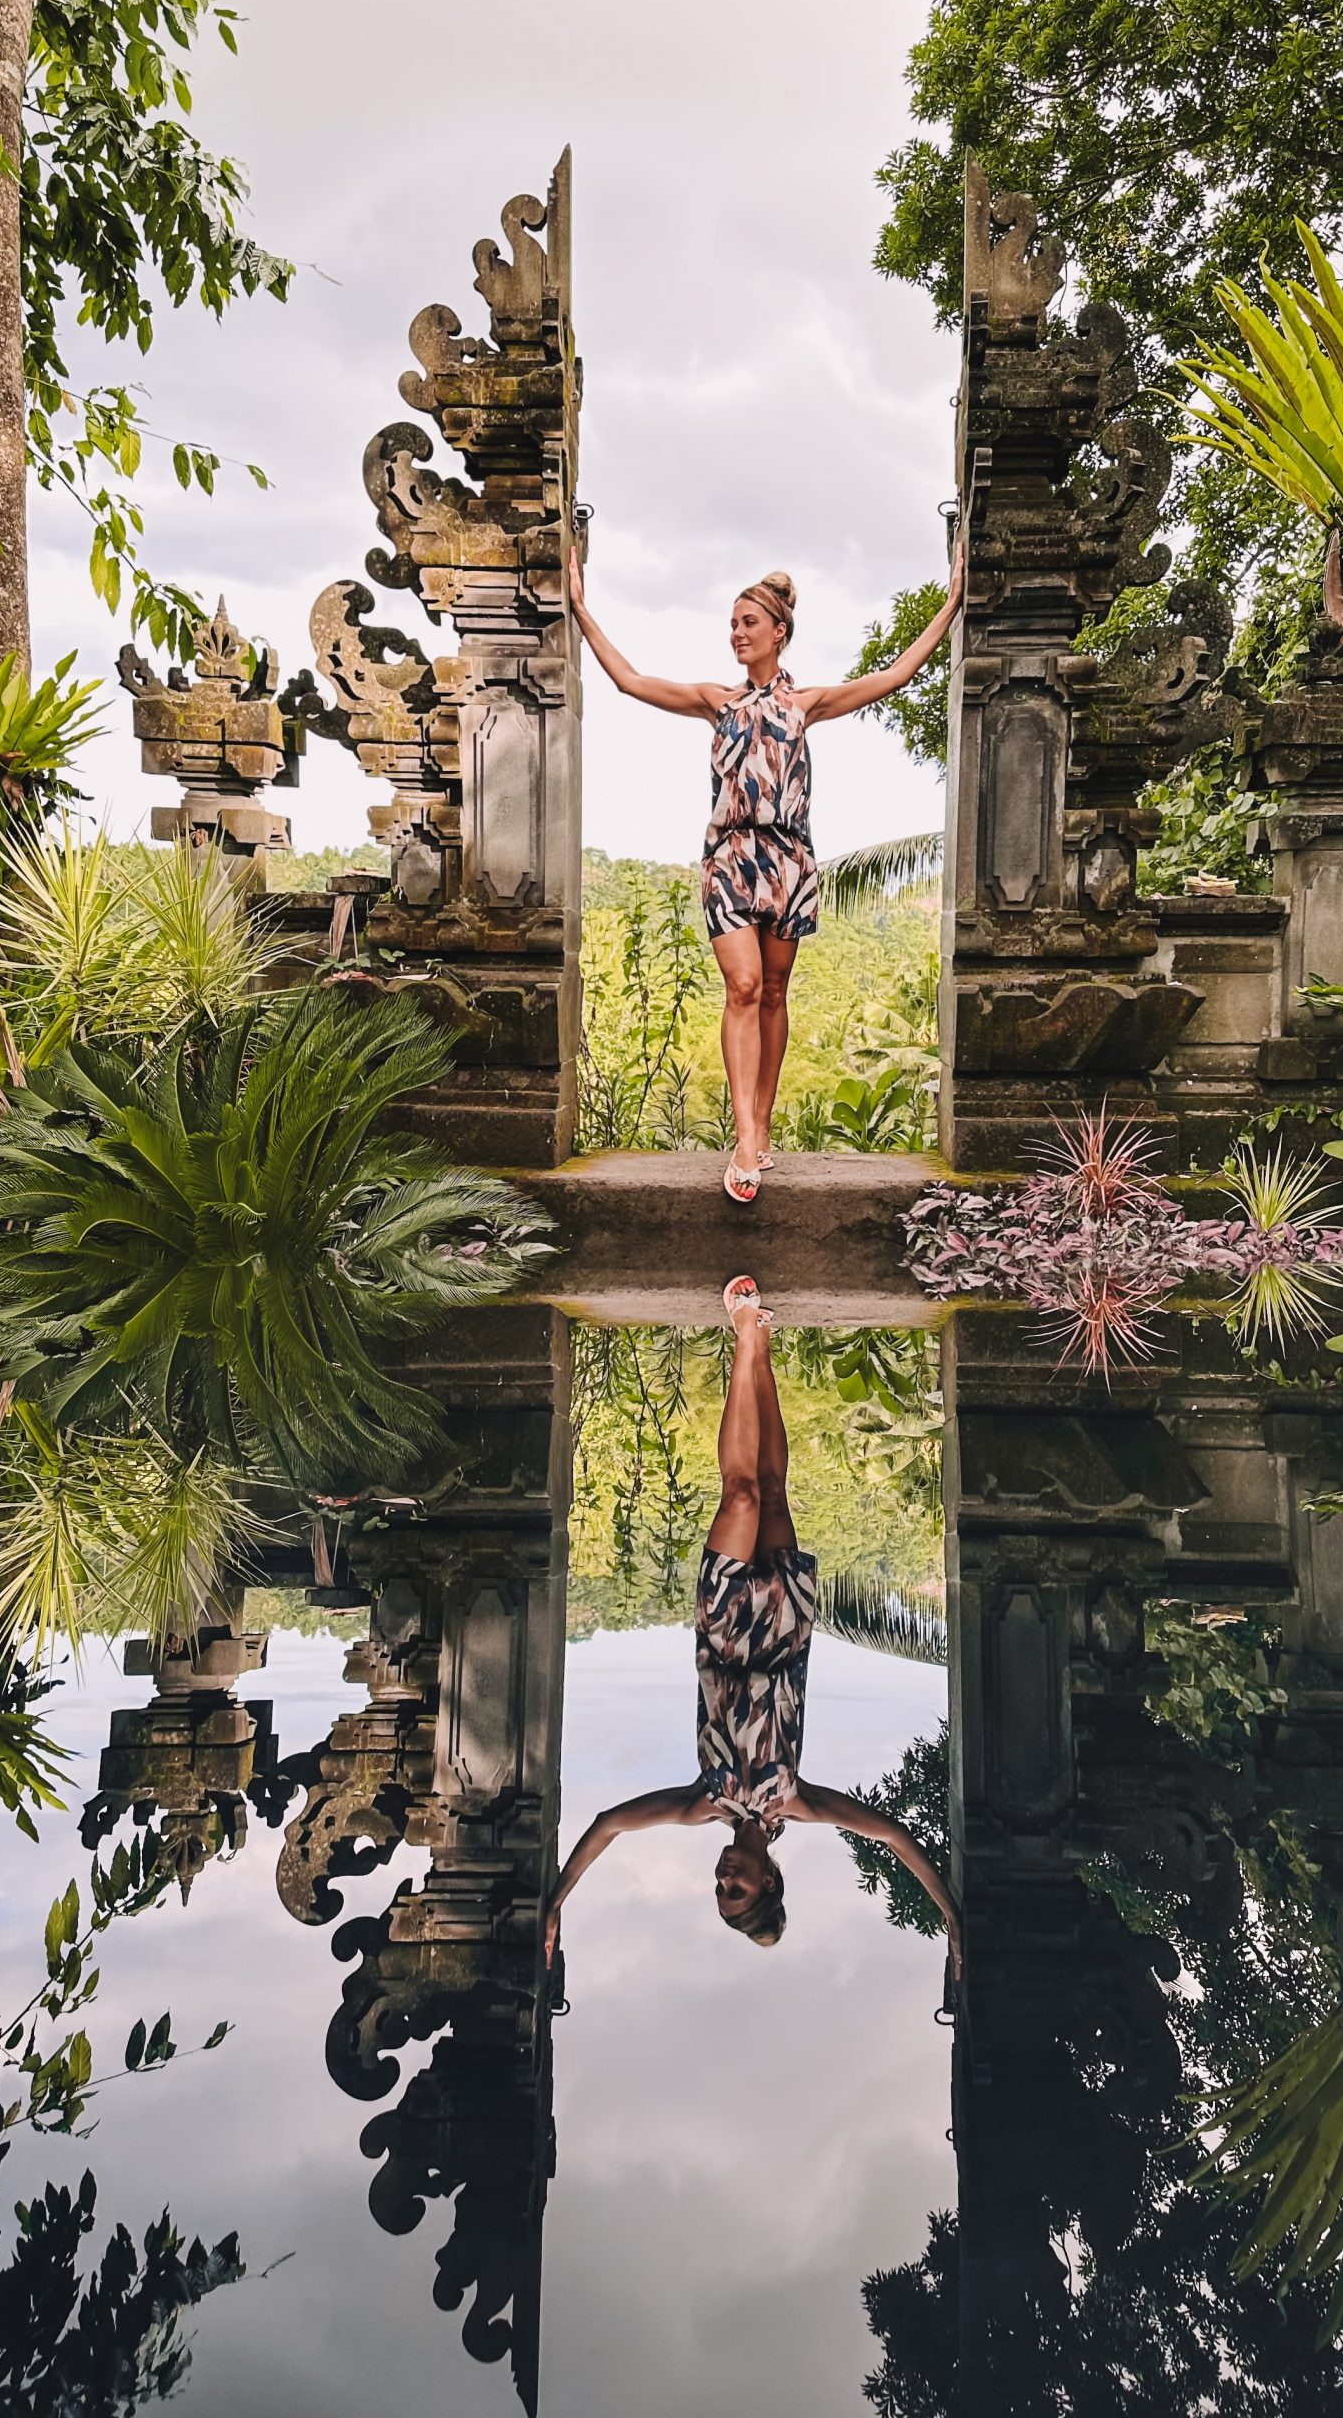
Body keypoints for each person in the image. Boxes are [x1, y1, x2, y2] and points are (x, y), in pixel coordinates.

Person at [544, 1277, 961, 1971]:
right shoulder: (797, 1802)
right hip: (785, 1626)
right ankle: (760, 1338)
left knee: (737, 1495)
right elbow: (891, 1836)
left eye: (719, 1890)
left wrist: (558, 1902)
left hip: (726, 1626)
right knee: (771, 1489)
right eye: (736, 1890)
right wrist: (951, 1918)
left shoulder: (699, 1804)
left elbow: (607, 1826)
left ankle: (740, 1327)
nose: (723, 1879)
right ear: (768, 1881)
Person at [568, 545, 964, 1202]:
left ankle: (763, 1126)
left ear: (778, 631)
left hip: (788, 862)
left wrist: (950, 604)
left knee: (776, 992)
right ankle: (746, 1137)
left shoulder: (805, 704)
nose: (737, 632)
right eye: (732, 623)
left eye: (749, 621)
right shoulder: (714, 702)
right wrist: (581, 607)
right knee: (744, 986)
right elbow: (629, 680)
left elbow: (894, 675)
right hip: (729, 861)